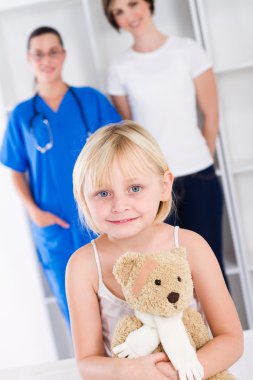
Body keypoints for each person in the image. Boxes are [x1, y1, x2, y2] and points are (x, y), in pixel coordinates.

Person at [66, 120, 243, 380]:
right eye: (103, 193)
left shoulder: (191, 246)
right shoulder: (83, 266)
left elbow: (231, 340)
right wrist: (132, 371)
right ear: (83, 198)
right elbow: (87, 364)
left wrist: (178, 372)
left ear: (164, 185)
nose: (120, 205)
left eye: (134, 188)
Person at [102, 0, 229, 287]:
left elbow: (211, 115)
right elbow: (129, 132)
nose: (129, 15)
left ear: (148, 3)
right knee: (165, 275)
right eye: (118, 13)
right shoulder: (119, 67)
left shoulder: (187, 50)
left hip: (199, 175)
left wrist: (199, 158)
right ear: (115, 22)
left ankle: (225, 331)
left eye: (133, 4)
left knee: (210, 266)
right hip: (153, 185)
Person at [0, 26, 121, 324]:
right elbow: (15, 170)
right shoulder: (21, 115)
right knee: (77, 310)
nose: (47, 59)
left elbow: (120, 150)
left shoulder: (90, 101)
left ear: (64, 55)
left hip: (100, 218)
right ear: (29, 59)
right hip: (55, 226)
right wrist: (35, 213)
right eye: (39, 54)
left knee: (120, 298)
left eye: (53, 51)